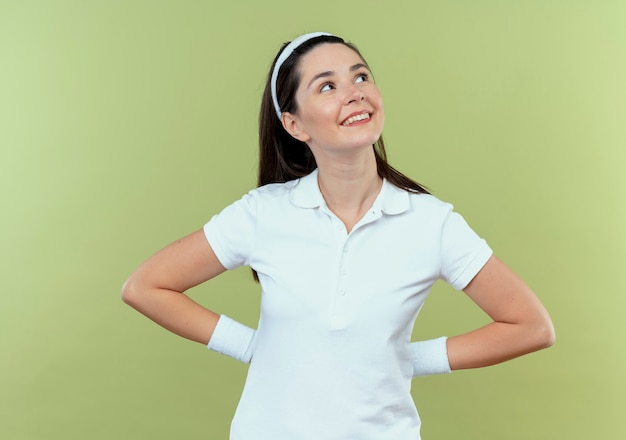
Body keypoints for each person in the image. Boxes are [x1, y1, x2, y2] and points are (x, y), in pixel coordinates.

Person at [122, 32, 555, 439]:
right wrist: (251, 345)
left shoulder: (430, 222)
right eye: (326, 86)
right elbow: (145, 286)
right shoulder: (262, 213)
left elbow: (531, 326)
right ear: (295, 125)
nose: (354, 92)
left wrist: (410, 359)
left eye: (360, 75)